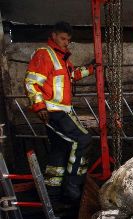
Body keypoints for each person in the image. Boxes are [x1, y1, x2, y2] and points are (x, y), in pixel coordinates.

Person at [24, 21, 95, 204]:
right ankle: (73, 187)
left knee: (59, 151)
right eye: (63, 38)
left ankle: (52, 195)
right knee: (83, 139)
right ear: (54, 35)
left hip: (59, 110)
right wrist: (39, 106)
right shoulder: (45, 54)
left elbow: (73, 75)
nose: (66, 43)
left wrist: (92, 68)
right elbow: (31, 82)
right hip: (53, 111)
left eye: (68, 40)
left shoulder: (61, 58)